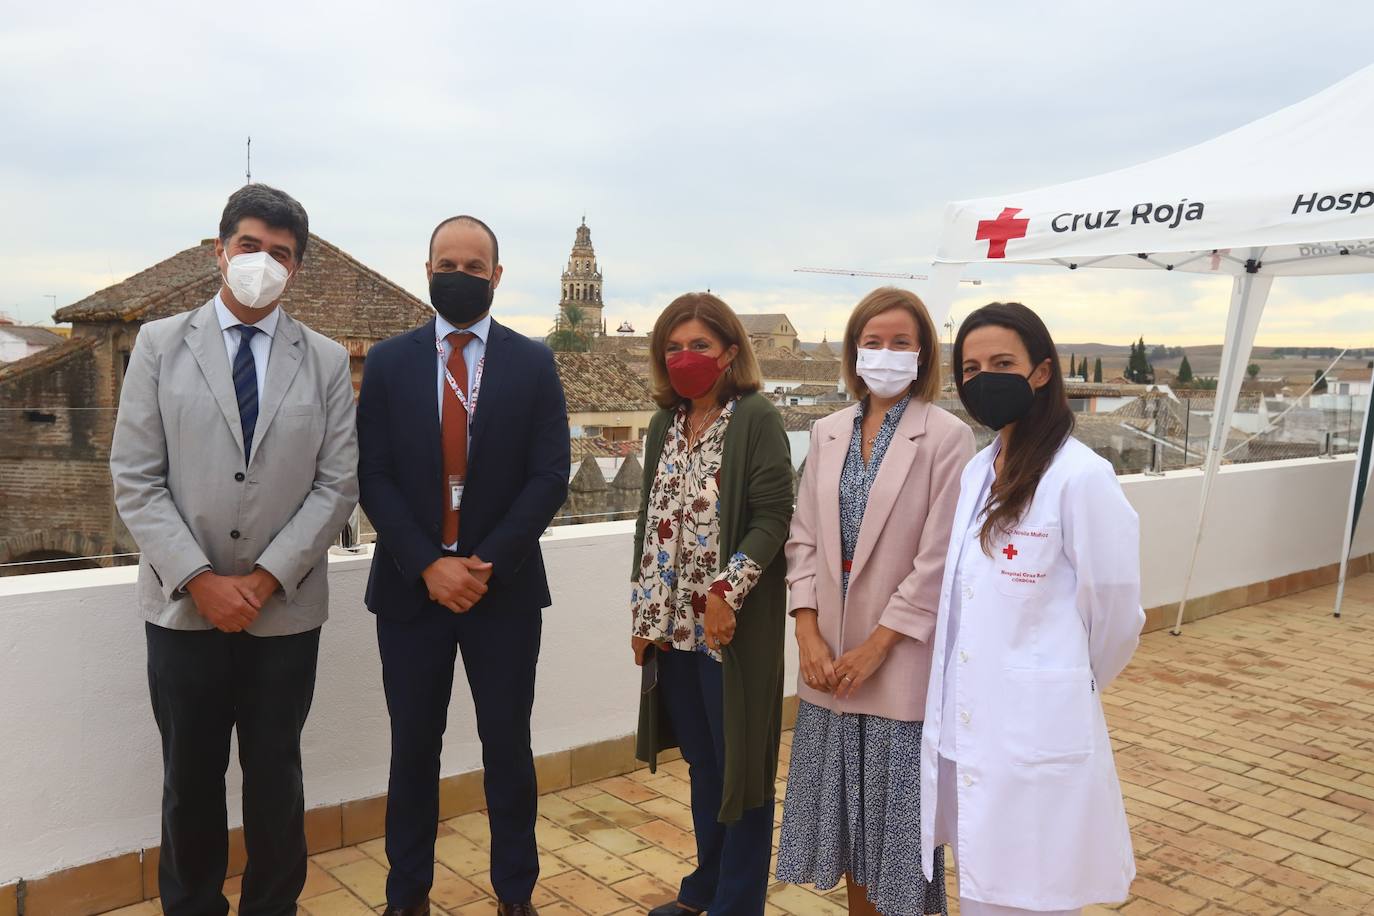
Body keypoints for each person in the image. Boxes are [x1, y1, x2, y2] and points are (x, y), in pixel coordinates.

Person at [110, 184, 359, 915]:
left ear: (297, 269)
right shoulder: (158, 346)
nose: (262, 262)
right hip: (183, 611)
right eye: (249, 246)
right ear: (219, 251)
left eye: (280, 253)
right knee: (189, 780)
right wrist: (200, 579)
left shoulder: (322, 359)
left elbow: (337, 483)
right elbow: (136, 478)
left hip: (282, 613)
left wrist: (265, 577)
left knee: (276, 777)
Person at [357, 215, 570, 916]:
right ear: (427, 270)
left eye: (474, 266)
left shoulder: (533, 362)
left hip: (501, 593)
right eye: (447, 262)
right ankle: (405, 896)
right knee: (412, 752)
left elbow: (549, 475)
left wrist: (483, 563)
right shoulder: (388, 363)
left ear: (497, 277)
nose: (460, 274)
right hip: (411, 594)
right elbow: (375, 476)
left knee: (508, 750)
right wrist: (427, 564)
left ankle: (515, 895)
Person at [919, 302, 1143, 916]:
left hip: (1034, 726)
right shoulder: (975, 472)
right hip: (971, 725)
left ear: (1041, 372)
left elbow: (1118, 613)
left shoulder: (1081, 477)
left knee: (1033, 895)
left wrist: (1060, 679)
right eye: (970, 367)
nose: (983, 377)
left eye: (1002, 363)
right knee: (984, 886)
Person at [777, 288, 973, 915]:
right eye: (872, 341)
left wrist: (877, 647)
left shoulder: (947, 437)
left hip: (896, 666)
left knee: (897, 848)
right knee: (848, 841)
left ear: (924, 353)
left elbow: (938, 559)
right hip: (829, 666)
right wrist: (807, 633)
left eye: (900, 342)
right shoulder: (827, 430)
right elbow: (802, 536)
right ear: (852, 350)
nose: (884, 353)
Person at [631, 293, 793, 916]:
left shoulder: (755, 418)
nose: (685, 357)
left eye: (699, 345)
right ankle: (704, 889)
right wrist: (643, 618)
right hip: (673, 632)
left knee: (742, 773)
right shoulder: (663, 425)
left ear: (729, 352)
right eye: (673, 346)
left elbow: (774, 516)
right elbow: (651, 520)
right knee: (704, 764)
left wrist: (728, 592)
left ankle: (737, 901)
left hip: (730, 633)